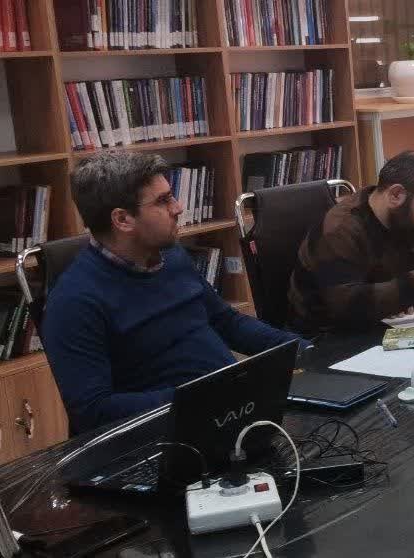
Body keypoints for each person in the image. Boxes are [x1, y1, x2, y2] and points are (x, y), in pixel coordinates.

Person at [42, 152, 307, 434]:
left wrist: (303, 350)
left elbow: (227, 323)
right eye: (163, 200)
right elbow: (93, 412)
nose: (178, 207)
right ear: (122, 219)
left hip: (234, 414)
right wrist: (200, 398)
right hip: (167, 435)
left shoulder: (172, 257)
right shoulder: (74, 302)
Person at [288, 151, 414, 334]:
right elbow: (345, 308)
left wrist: (404, 298)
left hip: (387, 327)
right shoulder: (340, 229)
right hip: (325, 336)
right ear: (396, 194)